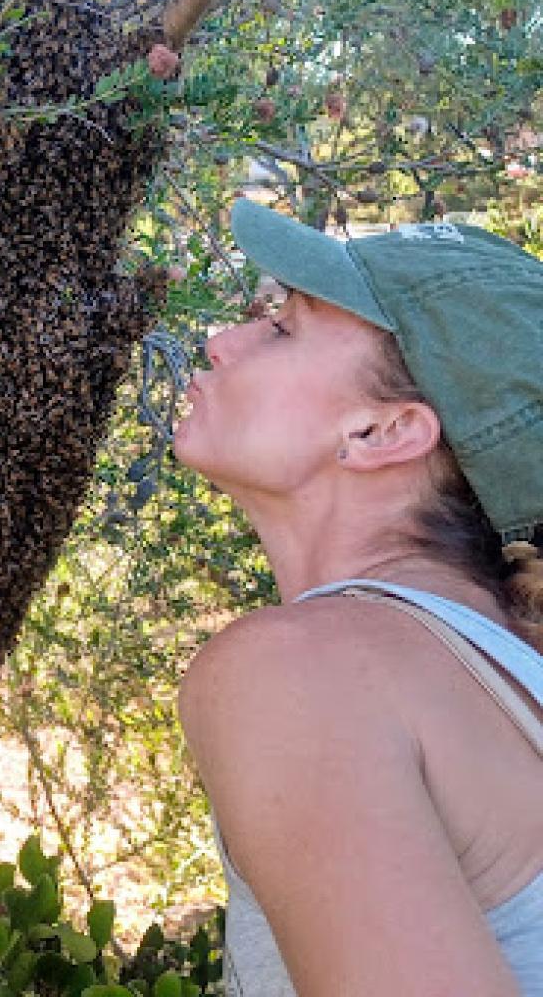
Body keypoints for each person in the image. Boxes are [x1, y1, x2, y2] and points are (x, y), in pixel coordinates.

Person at [174, 199, 543, 996]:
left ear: (383, 433)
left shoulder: (303, 674)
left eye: (281, 330)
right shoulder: (502, 665)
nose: (221, 340)